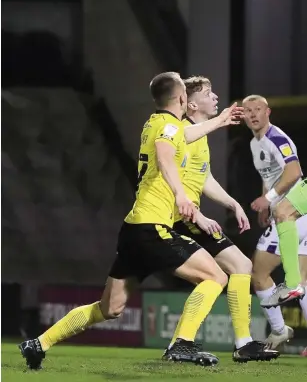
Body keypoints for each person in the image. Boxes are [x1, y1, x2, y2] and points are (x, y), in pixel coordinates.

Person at [19, 72, 243, 370]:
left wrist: (219, 120)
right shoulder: (167, 127)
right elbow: (165, 155)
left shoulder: (157, 123)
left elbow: (183, 136)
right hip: (153, 229)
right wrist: (180, 194)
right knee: (216, 277)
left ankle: (38, 343)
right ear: (180, 99)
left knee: (109, 308)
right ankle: (182, 344)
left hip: (134, 230)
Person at [167, 77, 279, 363]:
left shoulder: (198, 134)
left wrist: (233, 204)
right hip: (179, 216)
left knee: (240, 266)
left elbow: (203, 177)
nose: (216, 97)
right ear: (191, 103)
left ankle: (241, 343)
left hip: (188, 215)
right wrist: (198, 214)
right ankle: (184, 343)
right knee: (219, 275)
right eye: (208, 93)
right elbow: (171, 180)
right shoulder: (182, 132)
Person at [243, 95, 307, 347]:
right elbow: (271, 173)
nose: (253, 114)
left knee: (258, 272)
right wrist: (266, 201)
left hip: (293, 212)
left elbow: (294, 172)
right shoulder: (255, 143)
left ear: (268, 112)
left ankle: (279, 330)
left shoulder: (276, 138)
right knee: (303, 280)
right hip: (296, 210)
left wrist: (268, 199)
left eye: (258, 109)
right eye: (248, 111)